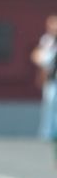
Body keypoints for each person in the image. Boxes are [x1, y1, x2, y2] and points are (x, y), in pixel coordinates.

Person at [30, 14, 57, 147]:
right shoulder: (46, 40)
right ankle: (46, 133)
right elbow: (37, 55)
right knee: (49, 103)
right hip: (51, 78)